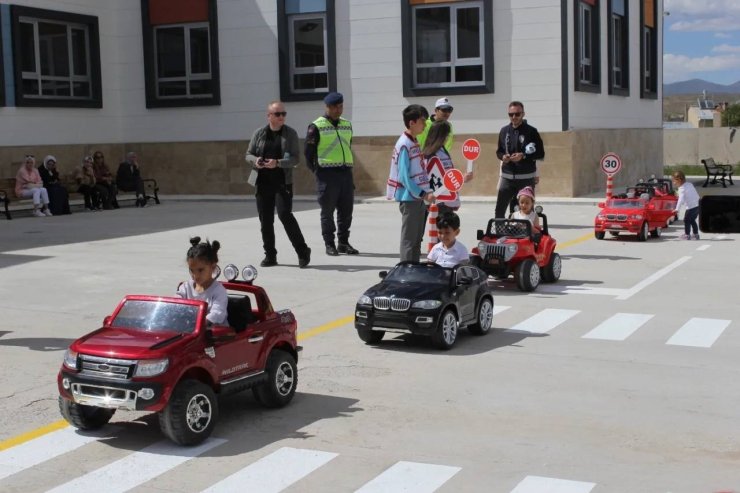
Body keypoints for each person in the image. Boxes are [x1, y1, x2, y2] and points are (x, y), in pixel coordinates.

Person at [245, 100, 311, 268]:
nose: (282, 117)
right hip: (263, 183)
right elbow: (248, 155)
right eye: (278, 114)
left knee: (285, 215)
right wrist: (256, 161)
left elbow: (296, 158)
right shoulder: (259, 134)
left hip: (282, 183)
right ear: (269, 116)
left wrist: (278, 163)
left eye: (284, 114)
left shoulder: (290, 134)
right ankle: (270, 255)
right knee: (265, 221)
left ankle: (303, 251)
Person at [305, 91, 359, 256]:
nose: (338, 110)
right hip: (327, 174)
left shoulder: (347, 124)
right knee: (327, 212)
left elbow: (347, 146)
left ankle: (343, 242)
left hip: (345, 172)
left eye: (340, 106)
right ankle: (330, 244)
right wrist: (318, 172)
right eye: (335, 107)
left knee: (346, 211)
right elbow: (308, 153)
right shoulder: (316, 126)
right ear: (327, 107)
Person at [387, 104, 435, 262]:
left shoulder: (414, 141)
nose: (425, 124)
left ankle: (414, 270)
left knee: (416, 240)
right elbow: (403, 177)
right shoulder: (404, 144)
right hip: (410, 198)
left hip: (418, 198)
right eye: (422, 121)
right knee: (409, 240)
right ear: (412, 123)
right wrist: (422, 193)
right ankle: (406, 272)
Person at [495, 101, 545, 218]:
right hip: (507, 178)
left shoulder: (531, 131)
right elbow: (499, 151)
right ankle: (500, 234)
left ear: (523, 114)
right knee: (499, 210)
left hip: (525, 179)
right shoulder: (504, 131)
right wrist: (503, 157)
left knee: (526, 212)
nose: (514, 117)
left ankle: (525, 233)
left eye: (517, 114)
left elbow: (540, 153)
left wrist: (523, 156)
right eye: (511, 114)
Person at [421, 120, 473, 216]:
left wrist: (461, 178)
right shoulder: (430, 155)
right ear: (440, 135)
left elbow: (447, 176)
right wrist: (461, 179)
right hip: (439, 202)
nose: (447, 138)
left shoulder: (442, 150)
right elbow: (435, 181)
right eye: (446, 135)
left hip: (446, 201)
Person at [177, 236, 228, 325]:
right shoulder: (185, 287)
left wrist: (195, 324)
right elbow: (176, 304)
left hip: (213, 335)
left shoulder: (219, 291)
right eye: (192, 270)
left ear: (213, 267)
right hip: (188, 330)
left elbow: (216, 315)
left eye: (200, 270)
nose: (195, 276)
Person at [672, 170, 700, 240]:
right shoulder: (689, 184)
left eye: (674, 181)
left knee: (686, 220)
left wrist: (677, 209)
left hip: (691, 207)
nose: (674, 183)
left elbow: (680, 200)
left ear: (679, 180)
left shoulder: (681, 189)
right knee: (692, 220)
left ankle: (687, 235)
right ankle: (696, 234)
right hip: (698, 205)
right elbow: (691, 195)